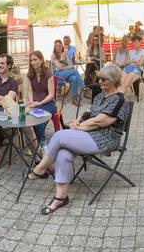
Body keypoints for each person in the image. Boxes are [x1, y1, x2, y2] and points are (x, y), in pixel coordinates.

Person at [24, 64, 131, 215]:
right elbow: (89, 114)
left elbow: (101, 121)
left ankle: (39, 170)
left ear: (114, 80)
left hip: (104, 139)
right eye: (99, 78)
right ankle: (61, 197)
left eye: (104, 79)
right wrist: (77, 121)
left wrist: (78, 127)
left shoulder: (119, 100)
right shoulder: (100, 96)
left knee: (59, 136)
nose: (100, 81)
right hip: (89, 135)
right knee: (63, 153)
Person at [25, 51, 57, 149]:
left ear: (41, 60)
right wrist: (31, 102)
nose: (33, 62)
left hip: (48, 103)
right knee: (25, 116)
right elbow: (30, 91)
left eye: (35, 60)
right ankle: (33, 143)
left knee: (37, 117)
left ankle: (43, 144)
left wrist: (39, 103)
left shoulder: (48, 74)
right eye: (31, 60)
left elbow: (51, 95)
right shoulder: (30, 74)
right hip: (35, 103)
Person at [52, 40, 85, 106]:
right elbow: (59, 67)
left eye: (60, 46)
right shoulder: (53, 56)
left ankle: (74, 98)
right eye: (57, 46)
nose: (58, 47)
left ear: (62, 47)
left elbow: (71, 65)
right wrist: (62, 59)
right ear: (54, 47)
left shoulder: (64, 54)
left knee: (74, 78)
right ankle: (83, 88)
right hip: (57, 76)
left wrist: (65, 65)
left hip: (65, 74)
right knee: (75, 71)